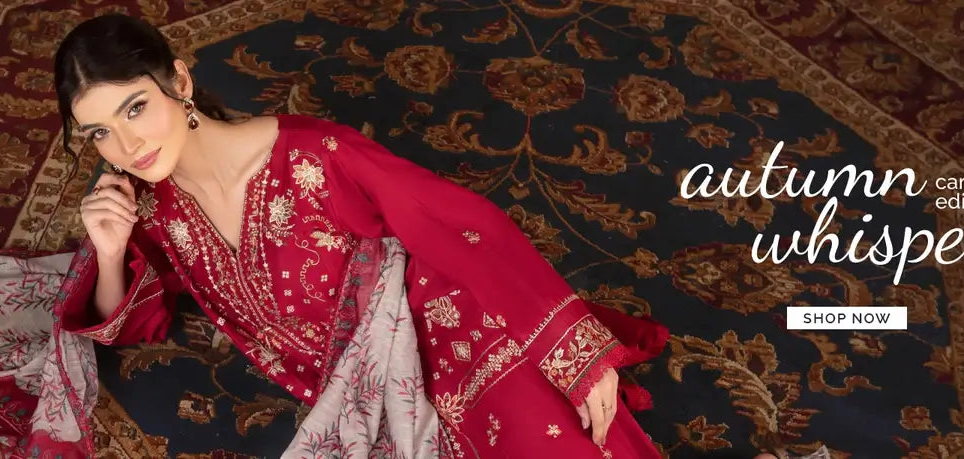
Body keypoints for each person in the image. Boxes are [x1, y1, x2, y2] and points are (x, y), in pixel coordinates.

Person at [49, 13, 675, 458]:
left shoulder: (318, 155)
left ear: (179, 83)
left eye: (135, 108)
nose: (128, 145)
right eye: (100, 132)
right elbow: (134, 325)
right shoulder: (155, 212)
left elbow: (466, 231)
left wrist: (576, 356)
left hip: (444, 317)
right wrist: (109, 252)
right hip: (362, 382)